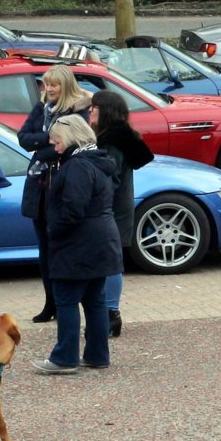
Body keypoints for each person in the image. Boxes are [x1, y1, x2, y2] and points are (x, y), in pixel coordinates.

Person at [33, 116, 122, 374]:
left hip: (78, 242)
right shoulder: (98, 162)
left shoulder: (77, 166)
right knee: (94, 299)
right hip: (102, 238)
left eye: (57, 141)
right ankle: (97, 354)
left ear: (70, 139)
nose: (55, 147)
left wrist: (53, 229)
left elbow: (73, 208)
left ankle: (65, 358)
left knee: (67, 299)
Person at [19, 65, 92, 320]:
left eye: (54, 85)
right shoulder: (42, 107)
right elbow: (23, 138)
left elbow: (71, 146)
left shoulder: (78, 111)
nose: (48, 89)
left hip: (61, 184)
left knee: (62, 247)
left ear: (66, 86)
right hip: (39, 185)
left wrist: (42, 147)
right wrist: (48, 138)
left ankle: (67, 304)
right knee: (44, 249)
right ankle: (50, 303)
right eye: (46, 84)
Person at [89, 89, 153, 337]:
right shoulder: (112, 136)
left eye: (94, 107)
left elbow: (110, 180)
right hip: (116, 209)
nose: (90, 111)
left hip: (112, 211)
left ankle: (110, 314)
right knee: (110, 260)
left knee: (111, 262)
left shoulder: (113, 141)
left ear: (104, 111)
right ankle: (108, 312)